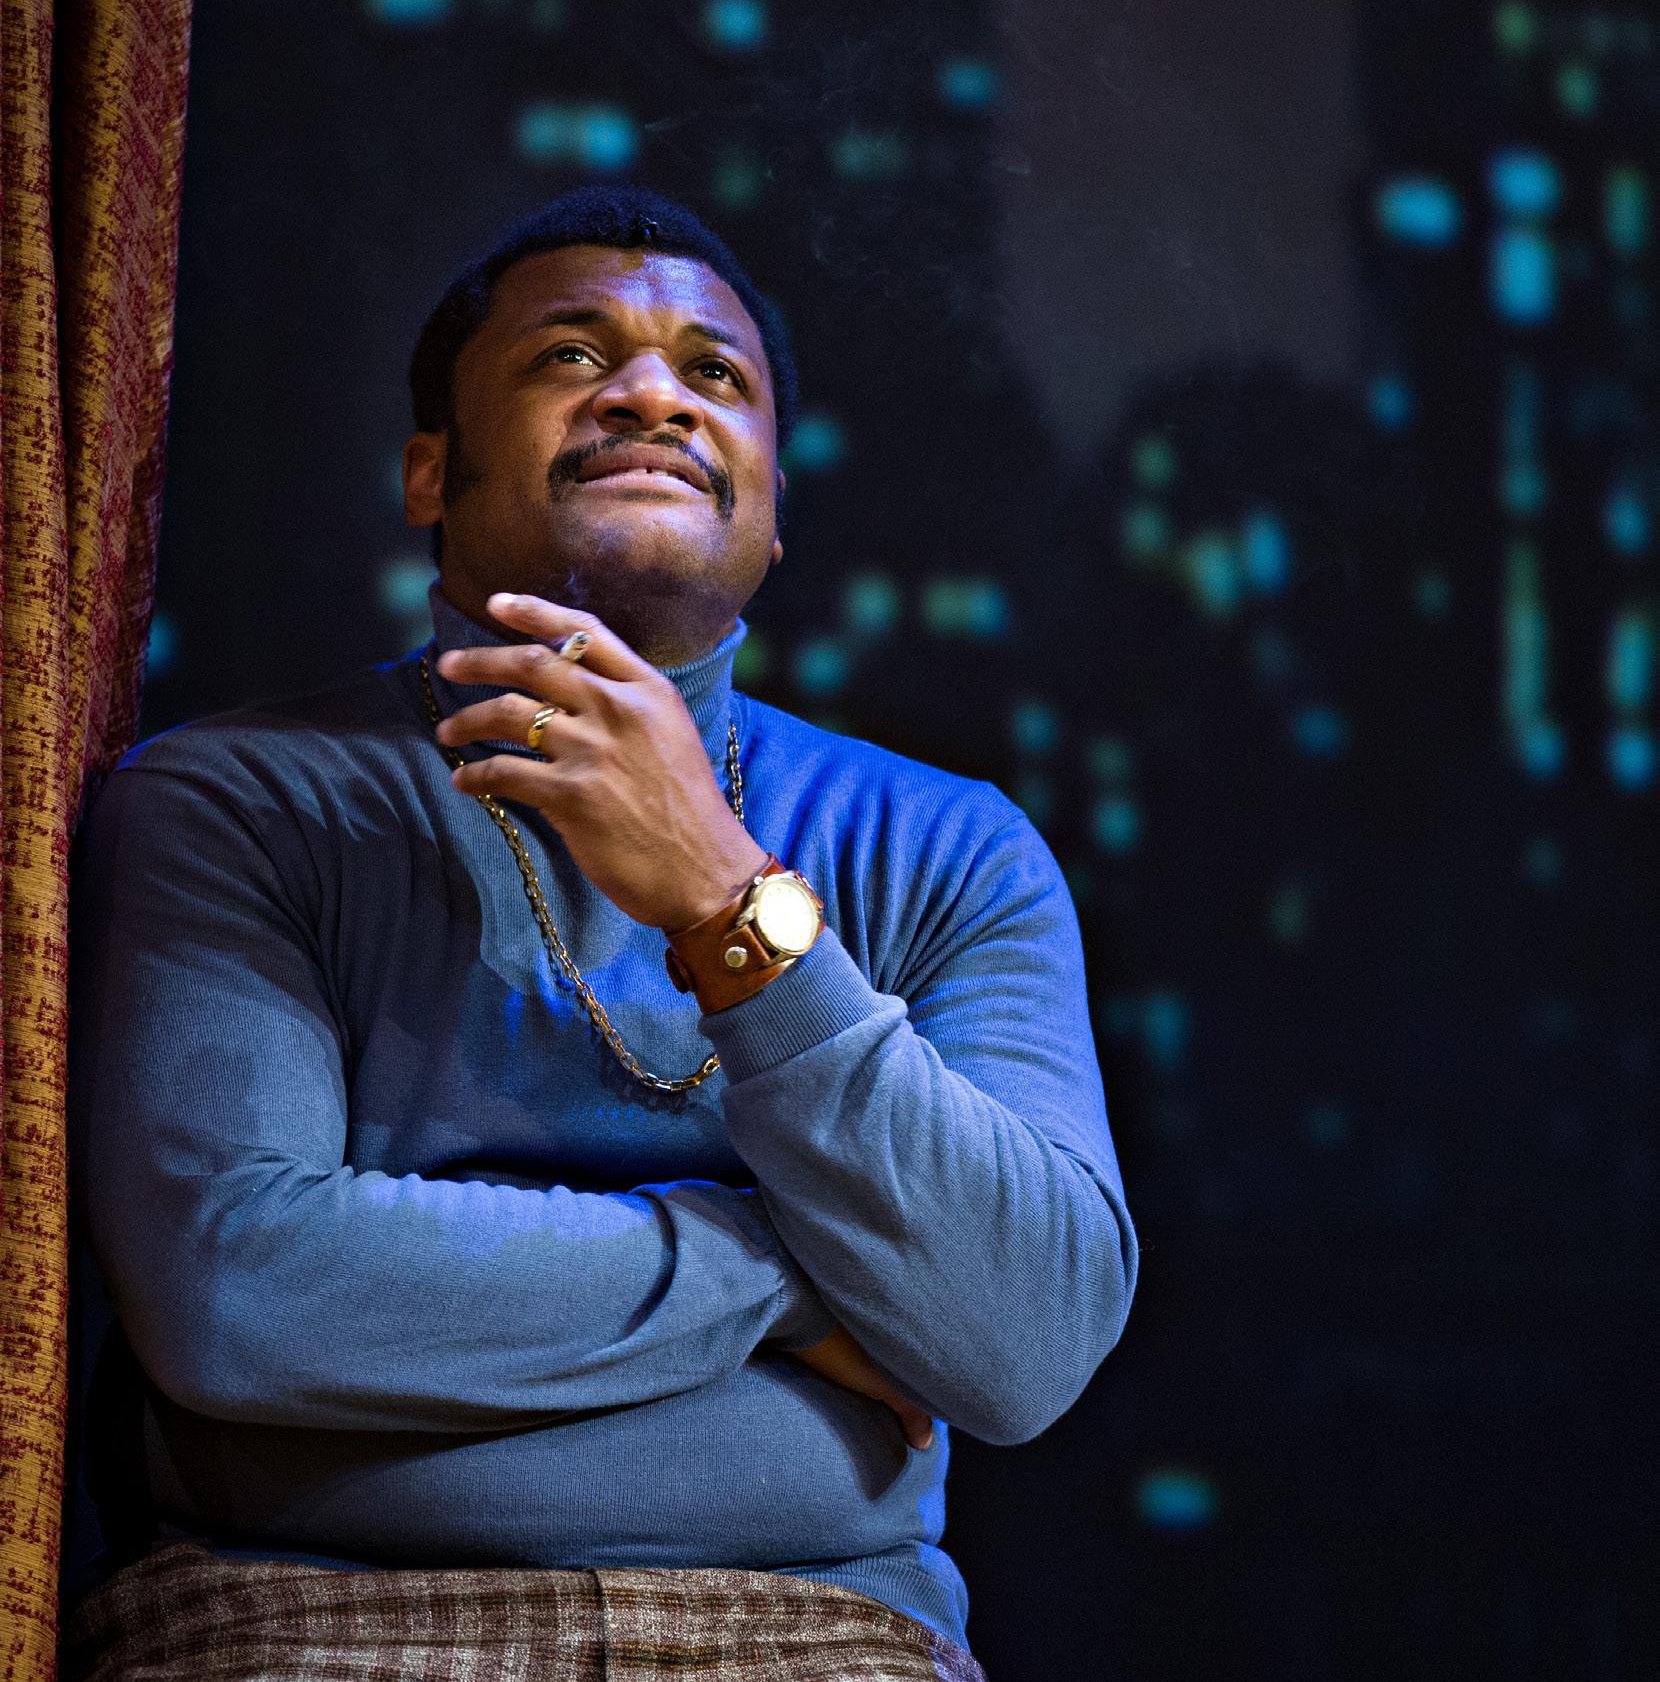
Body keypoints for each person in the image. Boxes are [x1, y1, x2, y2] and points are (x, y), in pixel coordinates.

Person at [66, 184, 1138, 1682]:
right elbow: (234, 1289)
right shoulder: (234, 802)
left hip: (821, 1633)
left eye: (714, 373)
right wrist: (791, 1276)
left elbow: (1027, 1339)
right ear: (430, 472)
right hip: (309, 1625)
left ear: (773, 509)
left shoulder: (951, 848)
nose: (651, 392)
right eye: (571, 355)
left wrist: (722, 897)